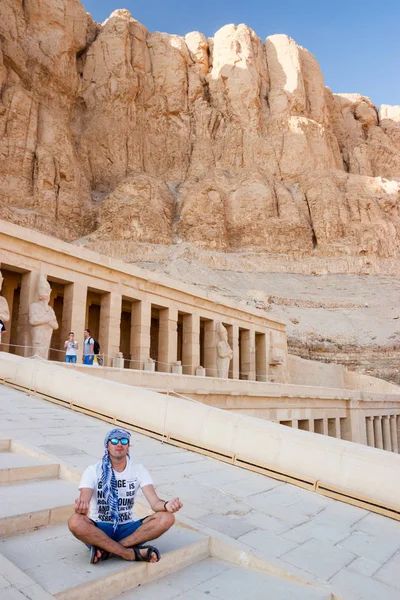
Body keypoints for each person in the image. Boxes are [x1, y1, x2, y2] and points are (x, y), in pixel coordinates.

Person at [68, 428, 183, 564]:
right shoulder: (93, 471)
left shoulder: (138, 470)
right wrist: (81, 509)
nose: (119, 444)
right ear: (107, 445)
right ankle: (129, 553)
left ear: (128, 446)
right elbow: (84, 502)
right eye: (114, 440)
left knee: (167, 517)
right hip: (99, 529)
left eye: (124, 440)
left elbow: (155, 503)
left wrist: (166, 505)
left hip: (128, 529)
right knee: (75, 521)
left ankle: (107, 551)